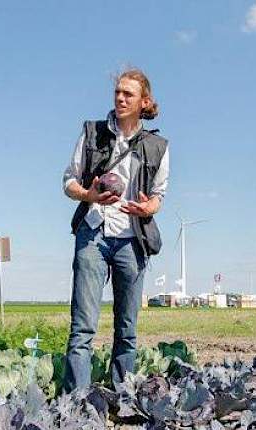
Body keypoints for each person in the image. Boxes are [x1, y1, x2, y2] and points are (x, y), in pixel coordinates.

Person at [61, 69, 170, 391]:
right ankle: (75, 404)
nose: (120, 98)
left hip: (132, 240)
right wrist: (87, 195)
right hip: (93, 232)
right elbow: (68, 181)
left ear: (144, 102)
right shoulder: (92, 132)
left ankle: (123, 396)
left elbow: (159, 195)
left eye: (128, 94)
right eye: (117, 93)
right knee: (82, 326)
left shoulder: (157, 146)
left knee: (127, 327)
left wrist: (149, 208)